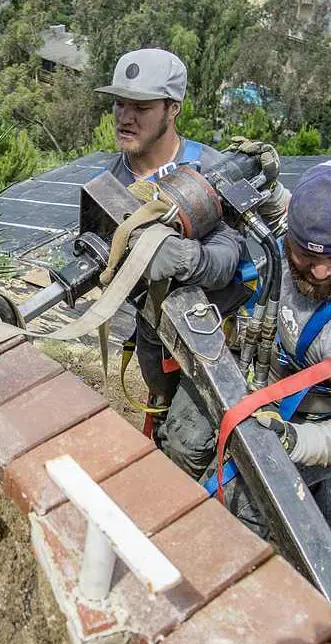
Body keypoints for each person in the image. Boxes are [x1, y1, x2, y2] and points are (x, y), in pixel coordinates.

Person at [157, 159, 331, 543]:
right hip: (260, 369)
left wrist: (295, 442)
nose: (318, 273)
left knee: (238, 512)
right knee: (183, 445)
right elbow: (274, 207)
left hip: (311, 417)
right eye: (306, 256)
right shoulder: (295, 224)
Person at [95, 48, 287, 418]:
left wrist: (182, 258)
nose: (126, 118)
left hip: (216, 332)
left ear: (173, 108)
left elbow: (227, 261)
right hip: (153, 327)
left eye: (142, 107)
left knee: (191, 438)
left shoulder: (212, 170)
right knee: (162, 406)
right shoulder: (111, 183)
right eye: (120, 105)